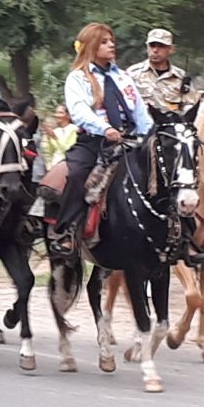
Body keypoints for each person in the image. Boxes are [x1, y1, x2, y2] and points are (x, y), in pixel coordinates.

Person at [49, 23, 152, 255]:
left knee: (165, 171)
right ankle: (67, 231)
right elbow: (79, 112)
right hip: (95, 141)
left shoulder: (123, 77)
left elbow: (139, 112)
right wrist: (104, 128)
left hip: (130, 139)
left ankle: (181, 232)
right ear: (91, 46)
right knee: (76, 175)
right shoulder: (78, 78)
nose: (111, 45)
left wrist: (149, 136)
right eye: (104, 42)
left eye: (111, 40)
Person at [127, 28, 196, 114]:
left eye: (161, 46)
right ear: (147, 47)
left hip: (172, 124)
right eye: (152, 46)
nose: (155, 50)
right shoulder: (133, 73)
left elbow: (190, 105)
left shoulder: (181, 77)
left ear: (171, 49)